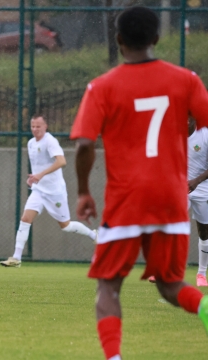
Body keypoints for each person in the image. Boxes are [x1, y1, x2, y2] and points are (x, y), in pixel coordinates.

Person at [72, 6, 208, 359]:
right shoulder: (186, 80)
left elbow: (85, 143)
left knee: (109, 286)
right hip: (171, 198)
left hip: (127, 198)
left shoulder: (102, 87)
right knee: (170, 284)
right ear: (156, 39)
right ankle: (206, 309)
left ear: (118, 41)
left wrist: (84, 190)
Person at [0, 115, 96, 268]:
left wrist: (40, 175)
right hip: (38, 191)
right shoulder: (31, 143)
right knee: (25, 219)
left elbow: (61, 161)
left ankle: (94, 235)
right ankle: (16, 258)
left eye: (38, 126)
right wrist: (33, 179)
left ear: (45, 126)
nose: (35, 129)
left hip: (54, 192)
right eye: (33, 126)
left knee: (65, 226)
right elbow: (38, 168)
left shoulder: (50, 141)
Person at [188, 117, 208, 287]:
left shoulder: (204, 135)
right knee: (171, 225)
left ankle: (201, 274)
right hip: (180, 186)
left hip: (202, 187)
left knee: (204, 231)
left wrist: (196, 181)